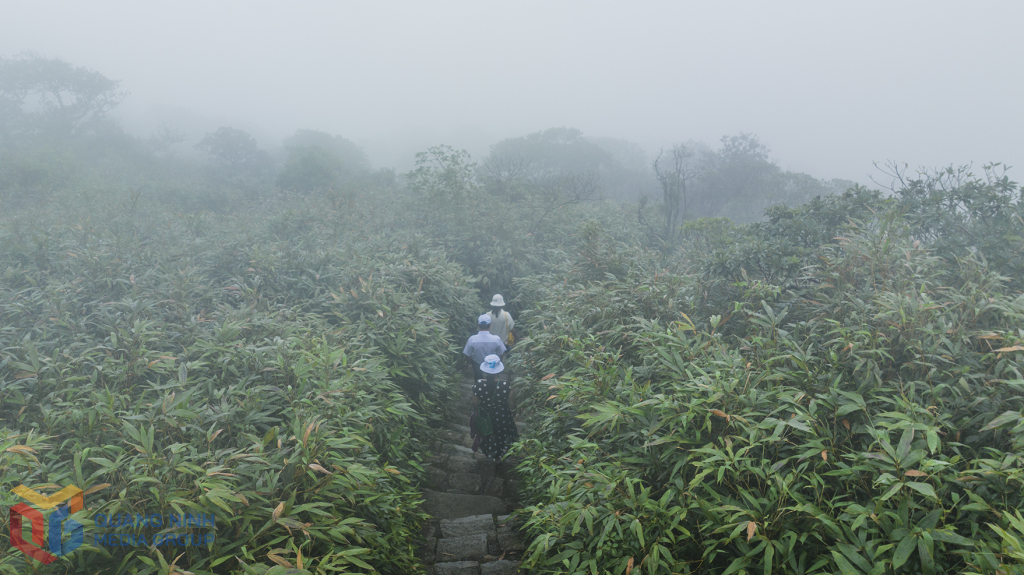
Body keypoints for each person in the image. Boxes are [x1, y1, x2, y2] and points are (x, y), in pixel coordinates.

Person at [470, 354, 519, 460]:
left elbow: (475, 403)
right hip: (502, 415)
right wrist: (513, 410)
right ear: (498, 370)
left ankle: (489, 451)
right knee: (501, 433)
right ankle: (500, 453)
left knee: (488, 433)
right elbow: (511, 404)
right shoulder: (507, 385)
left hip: (485, 416)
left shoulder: (478, 384)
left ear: (485, 370)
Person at [463, 314, 506, 380]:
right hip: (492, 366)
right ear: (490, 325)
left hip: (477, 366)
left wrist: (470, 363)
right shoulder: (496, 339)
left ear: (478, 324)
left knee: (478, 382)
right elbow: (500, 354)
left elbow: (468, 355)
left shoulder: (472, 339)